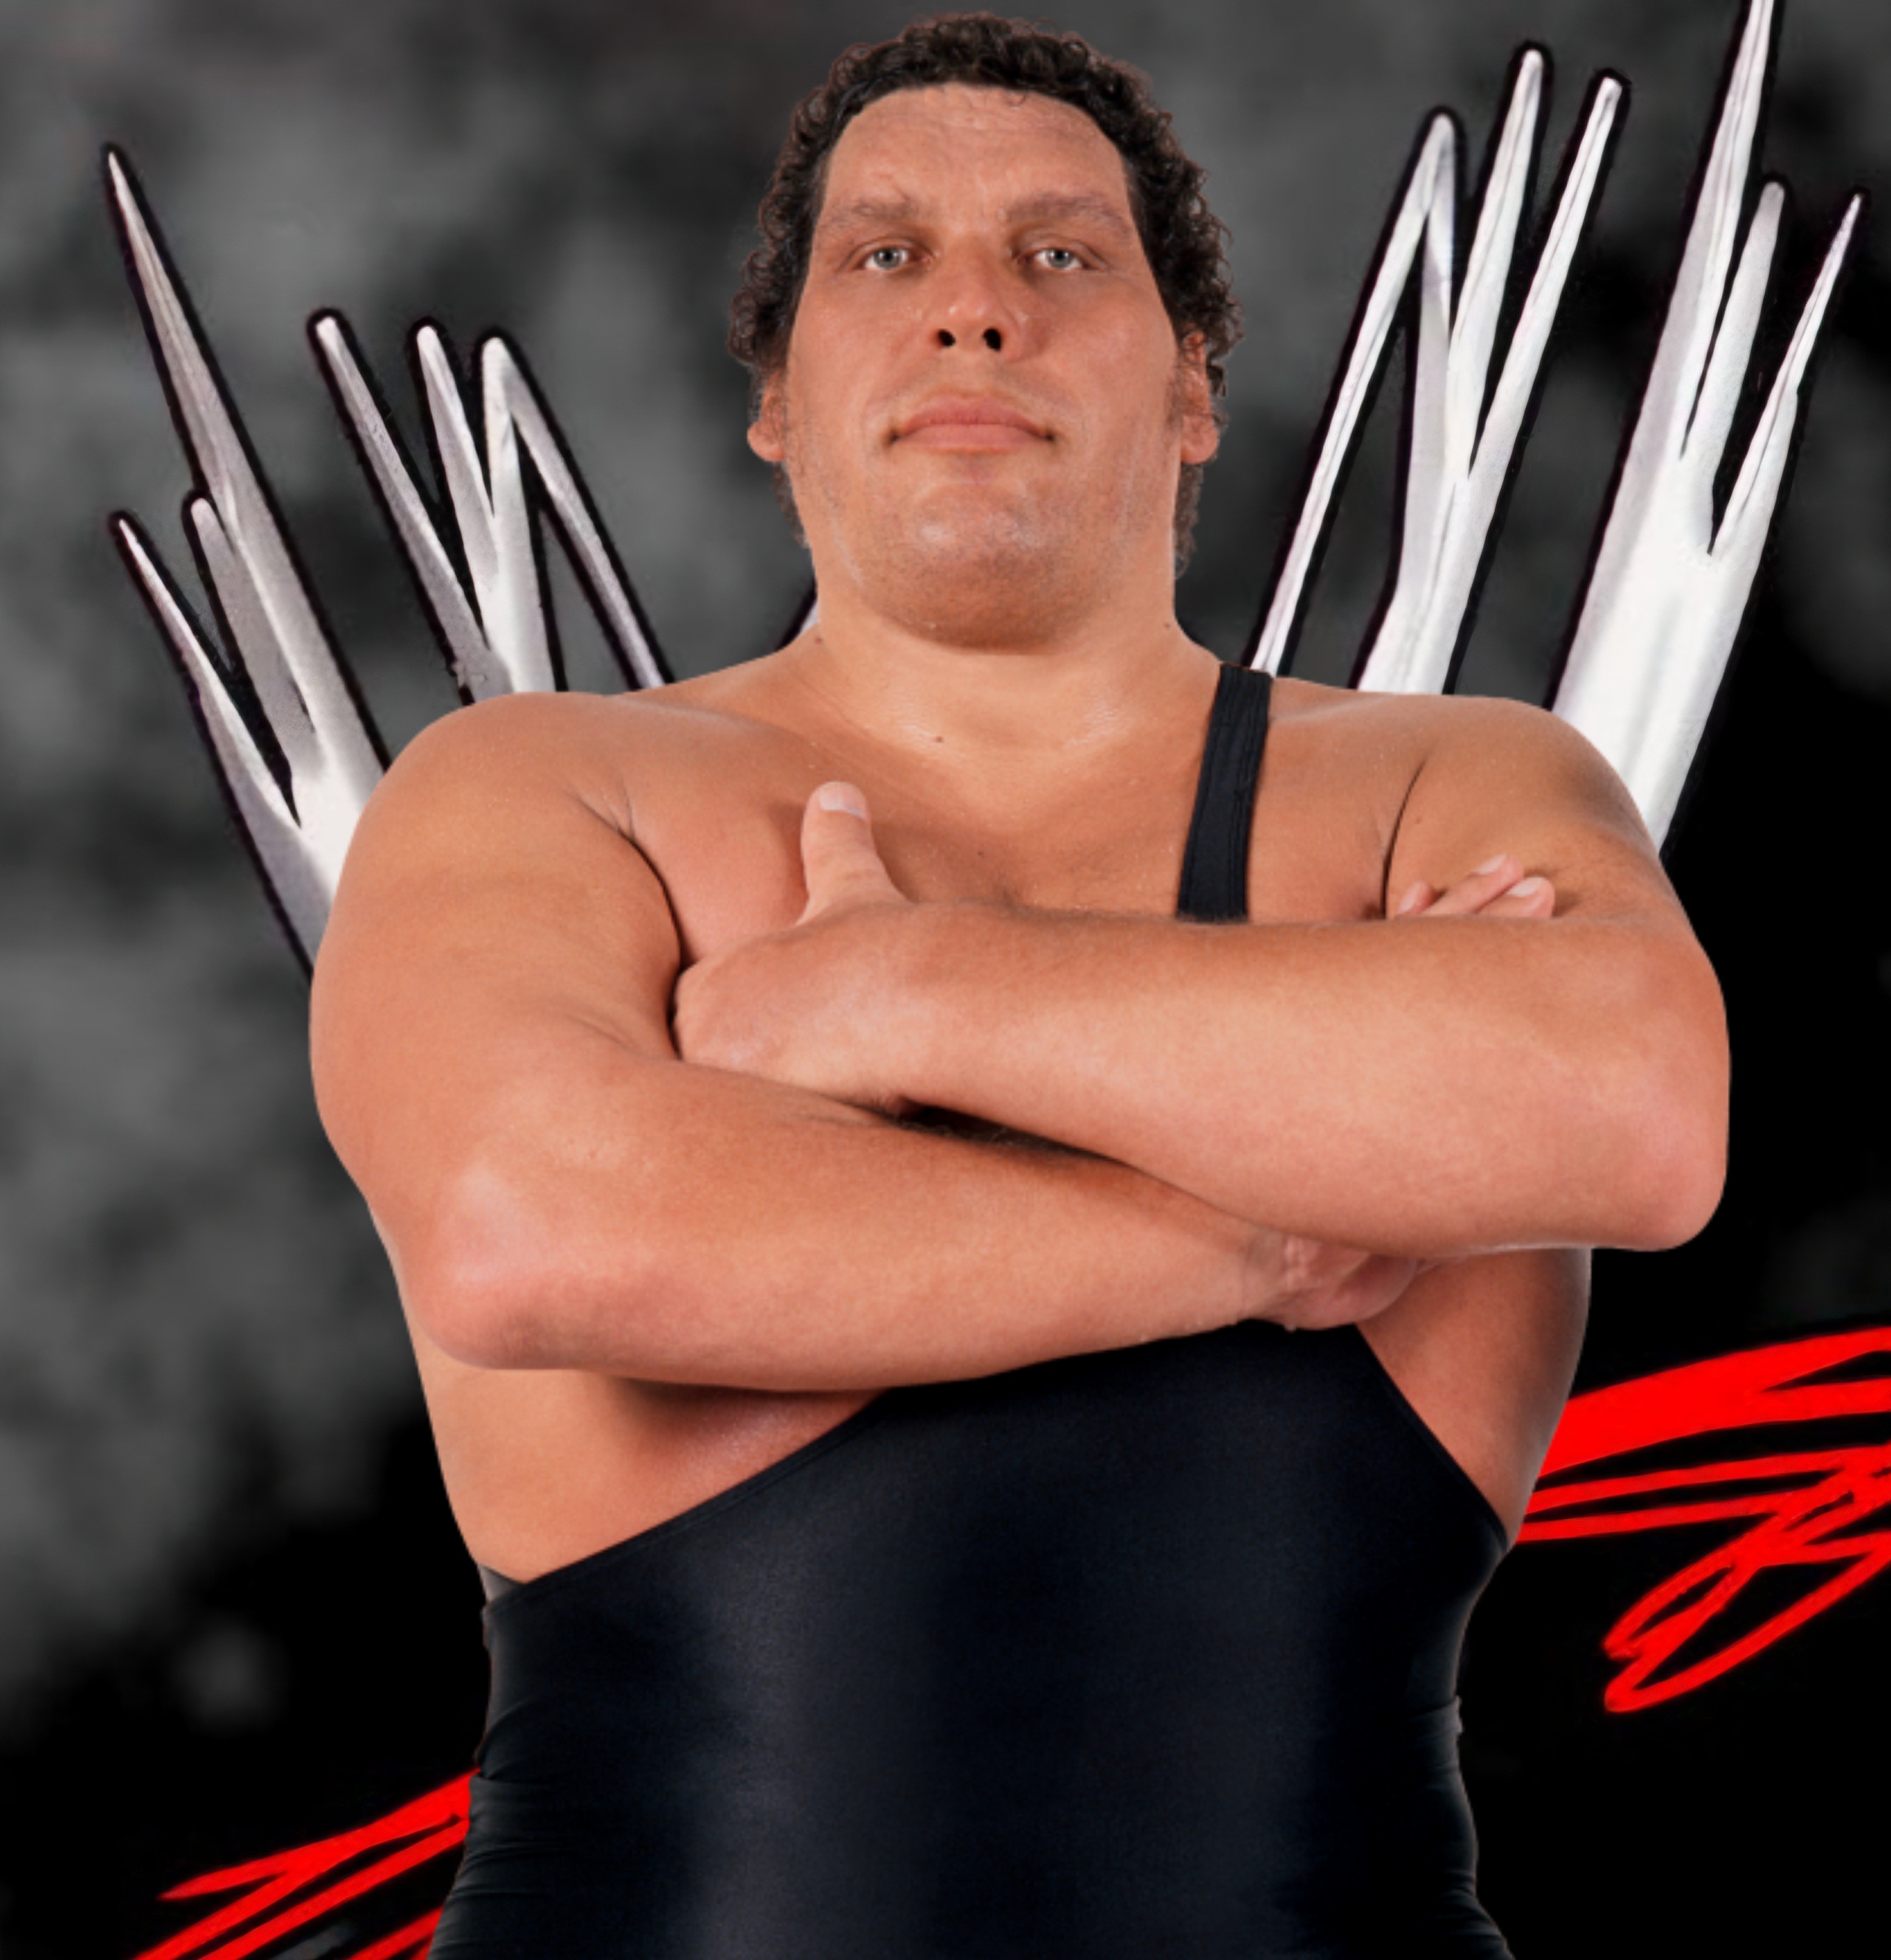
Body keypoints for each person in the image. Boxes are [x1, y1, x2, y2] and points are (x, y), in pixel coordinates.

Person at [310, 15, 1728, 1955]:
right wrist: (1259, 1233)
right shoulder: (539, 783)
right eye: (887, 254)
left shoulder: (1447, 778)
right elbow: (526, 1228)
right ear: (778, 395)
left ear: (1196, 385)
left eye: (1061, 253)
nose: (976, 310)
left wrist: (898, 994)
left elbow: (1637, 1113)